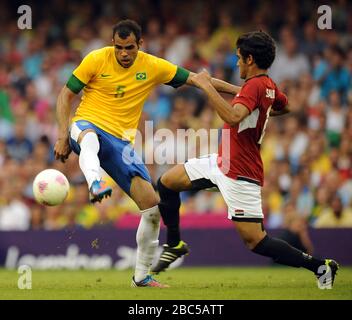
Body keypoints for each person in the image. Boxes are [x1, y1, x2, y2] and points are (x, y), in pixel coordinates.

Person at [54, 19, 240, 288]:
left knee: (152, 208)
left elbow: (199, 80)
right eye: (118, 47)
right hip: (87, 124)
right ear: (113, 44)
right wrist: (62, 135)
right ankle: (95, 182)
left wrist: (241, 91)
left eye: (129, 48)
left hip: (120, 143)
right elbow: (65, 94)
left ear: (140, 44)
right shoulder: (96, 59)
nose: (124, 54)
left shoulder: (153, 65)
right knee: (89, 138)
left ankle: (141, 277)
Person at [152, 31, 339, 289]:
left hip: (241, 172)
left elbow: (232, 116)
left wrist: (207, 87)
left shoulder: (256, 86)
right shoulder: (267, 86)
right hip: (222, 160)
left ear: (250, 59)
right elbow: (285, 106)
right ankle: (174, 244)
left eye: (239, 58)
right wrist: (256, 109)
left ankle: (320, 266)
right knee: (166, 182)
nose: (236, 62)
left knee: (255, 241)